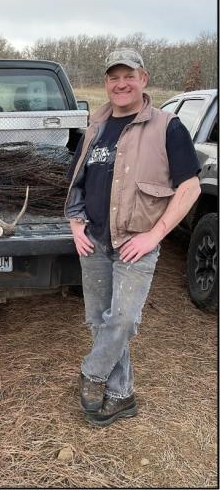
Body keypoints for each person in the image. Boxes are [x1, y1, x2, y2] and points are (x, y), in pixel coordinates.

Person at [65, 48, 201, 426]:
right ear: (106, 82)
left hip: (136, 243)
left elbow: (189, 187)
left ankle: (92, 372)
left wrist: (154, 235)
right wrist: (76, 225)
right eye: (113, 77)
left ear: (144, 79)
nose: (120, 84)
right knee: (99, 320)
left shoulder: (167, 126)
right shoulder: (95, 125)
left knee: (122, 319)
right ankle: (122, 395)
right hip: (94, 242)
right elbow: (76, 181)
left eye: (129, 75)